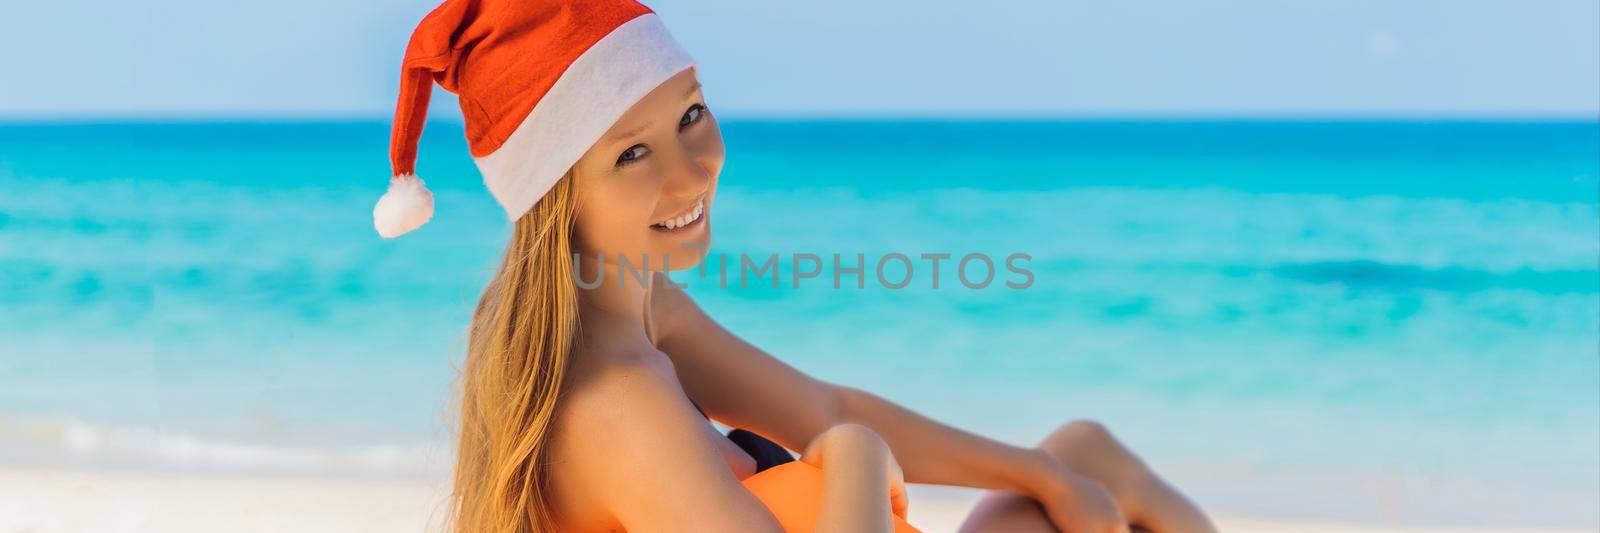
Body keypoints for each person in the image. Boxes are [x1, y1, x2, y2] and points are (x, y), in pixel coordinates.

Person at [373, 1, 1217, 531]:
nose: (692, 167)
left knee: (1079, 455)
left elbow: (824, 404)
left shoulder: (639, 308)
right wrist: (851, 455)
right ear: (557, 195)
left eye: (691, 113)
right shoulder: (616, 401)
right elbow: (839, 427)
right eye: (631, 153)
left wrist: (1039, 476)